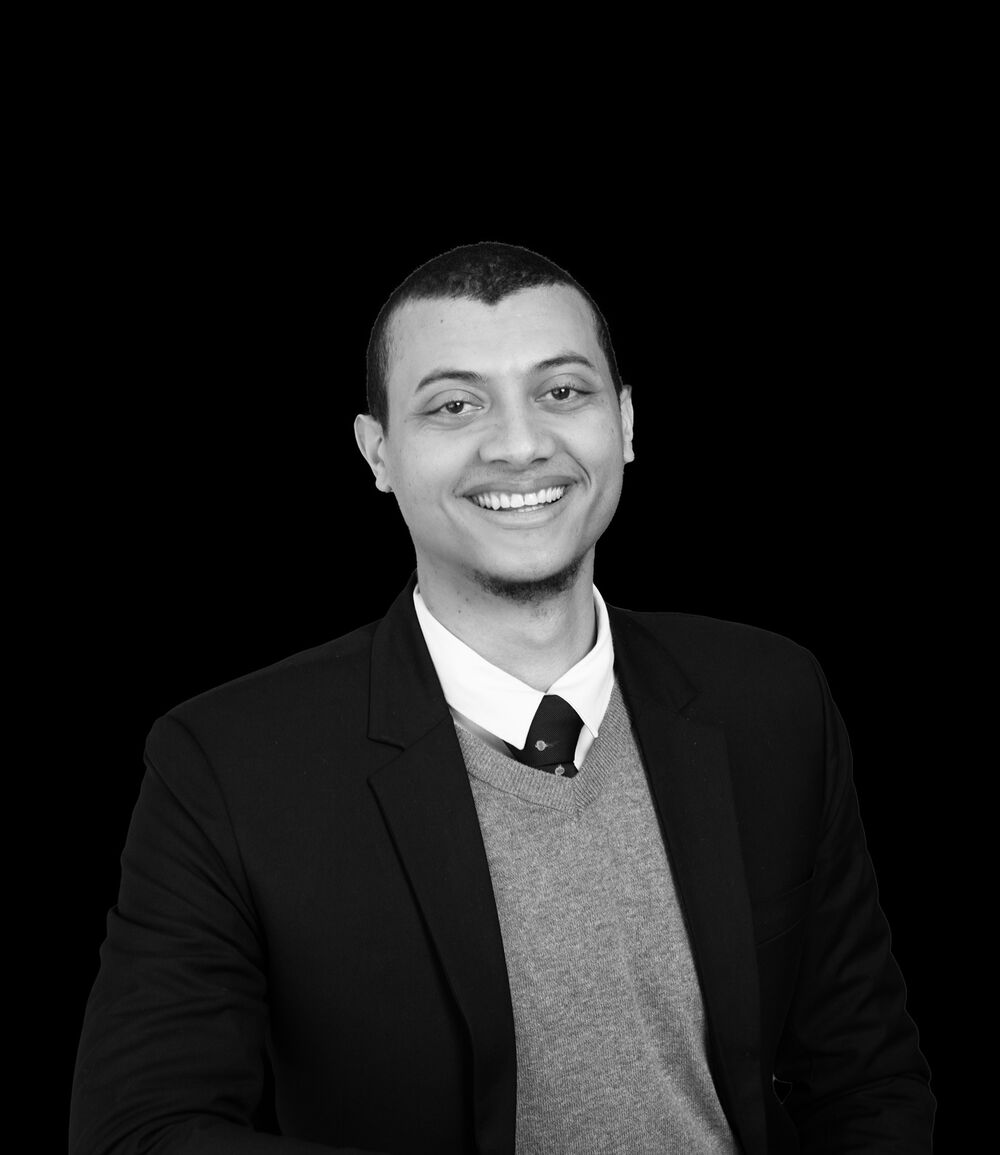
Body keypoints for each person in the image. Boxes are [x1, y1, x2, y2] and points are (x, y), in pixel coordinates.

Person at [70, 242, 935, 1154]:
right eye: (455, 404)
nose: (520, 444)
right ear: (378, 452)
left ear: (625, 423)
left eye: (562, 391)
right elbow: (139, 1131)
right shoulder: (226, 764)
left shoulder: (773, 697)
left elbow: (867, 1077)